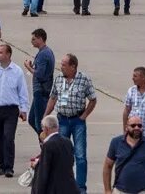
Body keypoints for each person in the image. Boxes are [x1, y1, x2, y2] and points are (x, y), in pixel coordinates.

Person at [45, 53, 97, 192]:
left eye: (64, 64)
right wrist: (46, 115)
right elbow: (53, 98)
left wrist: (84, 116)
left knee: (80, 155)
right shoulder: (58, 79)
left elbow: (93, 99)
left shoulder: (84, 79)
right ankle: (63, 184)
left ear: (73, 66)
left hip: (77, 120)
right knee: (62, 154)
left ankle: (80, 187)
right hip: (62, 120)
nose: (61, 67)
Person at [0, 43, 31, 177]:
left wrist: (23, 109)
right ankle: (1, 165)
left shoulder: (17, 71)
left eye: (1, 52)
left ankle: (9, 167)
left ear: (8, 55)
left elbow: (23, 92)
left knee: (8, 137)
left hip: (10, 110)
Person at [102, 115, 145, 194]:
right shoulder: (116, 142)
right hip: (120, 190)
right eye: (133, 125)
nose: (136, 128)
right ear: (126, 127)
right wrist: (107, 190)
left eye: (139, 125)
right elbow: (107, 167)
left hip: (143, 191)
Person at [31, 114, 80, 194]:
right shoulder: (67, 141)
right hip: (70, 187)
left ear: (46, 129)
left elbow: (44, 172)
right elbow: (70, 162)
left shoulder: (48, 145)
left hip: (54, 189)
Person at [24, 28, 54, 134]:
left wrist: (28, 67)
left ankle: (45, 145)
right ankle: (44, 144)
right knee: (32, 119)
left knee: (39, 122)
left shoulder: (43, 54)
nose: (32, 41)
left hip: (41, 91)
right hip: (40, 91)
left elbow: (40, 75)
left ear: (40, 39)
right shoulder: (45, 52)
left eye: (34, 39)